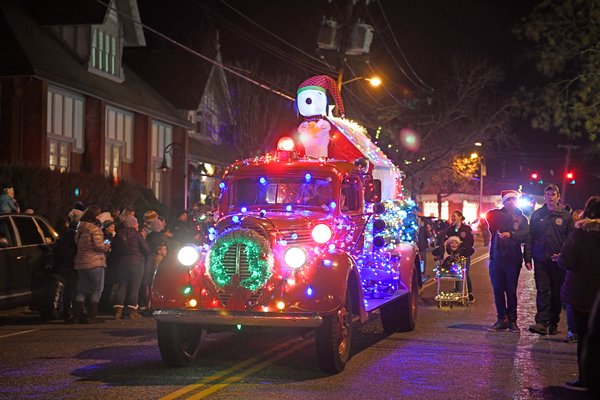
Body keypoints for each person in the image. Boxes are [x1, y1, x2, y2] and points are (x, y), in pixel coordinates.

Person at [557, 196, 600, 392]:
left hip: (582, 293)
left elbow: (567, 261)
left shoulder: (580, 234)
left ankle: (586, 378)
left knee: (584, 337)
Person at [527, 184, 574, 336]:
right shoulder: (537, 215)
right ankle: (541, 322)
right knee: (542, 290)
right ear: (545, 196)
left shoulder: (566, 216)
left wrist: (563, 255)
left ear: (558, 196)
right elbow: (530, 237)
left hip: (558, 261)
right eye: (547, 194)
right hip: (541, 259)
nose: (550, 197)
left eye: (553, 194)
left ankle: (553, 322)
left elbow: (571, 239)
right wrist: (527, 257)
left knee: (556, 292)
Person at [485, 190, 531, 332]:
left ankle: (512, 321)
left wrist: (511, 234)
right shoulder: (497, 215)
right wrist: (506, 215)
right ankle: (501, 319)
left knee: (511, 291)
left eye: (513, 199)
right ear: (503, 202)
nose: (511, 202)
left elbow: (525, 235)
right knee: (498, 290)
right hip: (497, 258)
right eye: (508, 200)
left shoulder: (522, 218)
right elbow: (489, 217)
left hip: (513, 259)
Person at [73, 205, 109, 324]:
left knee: (81, 289)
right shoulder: (94, 229)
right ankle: (91, 316)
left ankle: (77, 316)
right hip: (95, 262)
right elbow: (99, 246)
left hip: (81, 261)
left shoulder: (80, 227)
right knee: (97, 289)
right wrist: (107, 246)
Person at [110, 215, 150, 320]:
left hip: (122, 264)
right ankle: (132, 312)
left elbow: (114, 250)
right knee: (134, 288)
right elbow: (146, 249)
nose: (138, 225)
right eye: (136, 223)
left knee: (122, 286)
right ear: (133, 224)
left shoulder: (118, 235)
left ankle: (118, 312)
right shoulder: (137, 235)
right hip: (137, 264)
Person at [52, 208, 83, 323]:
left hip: (63, 264)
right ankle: (69, 313)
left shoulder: (64, 234)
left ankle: (65, 312)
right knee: (71, 289)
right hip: (70, 264)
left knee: (66, 289)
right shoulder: (73, 234)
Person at [444, 210, 475, 302]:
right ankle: (457, 290)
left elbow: (471, 242)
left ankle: (470, 293)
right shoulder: (450, 229)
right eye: (452, 216)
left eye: (455, 216)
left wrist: (463, 246)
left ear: (460, 217)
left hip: (464, 254)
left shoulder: (466, 229)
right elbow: (446, 240)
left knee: (466, 273)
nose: (453, 218)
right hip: (453, 254)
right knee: (456, 272)